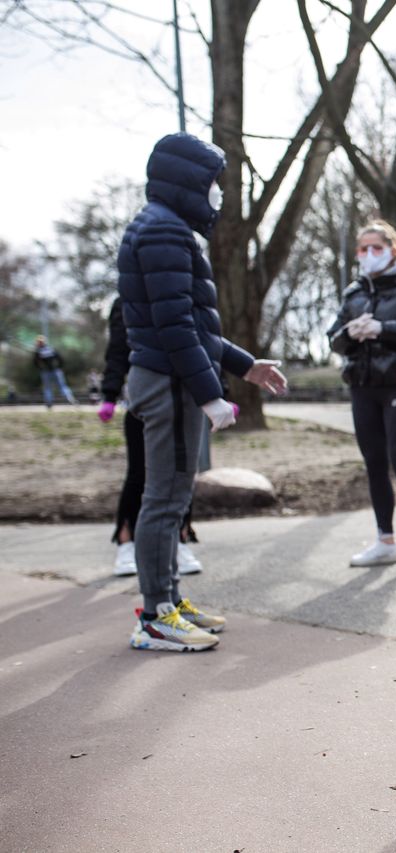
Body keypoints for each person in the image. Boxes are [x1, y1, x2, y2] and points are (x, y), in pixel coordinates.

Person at [116, 132, 288, 652]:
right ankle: (155, 616)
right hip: (168, 382)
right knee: (164, 500)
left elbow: (195, 323)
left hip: (169, 378)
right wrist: (212, 393)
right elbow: (175, 328)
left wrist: (245, 366)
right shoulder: (165, 232)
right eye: (214, 182)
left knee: (172, 497)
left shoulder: (164, 228)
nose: (218, 193)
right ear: (190, 179)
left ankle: (168, 600)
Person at [327, 219, 396, 570]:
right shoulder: (354, 293)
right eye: (363, 249)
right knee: (374, 463)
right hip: (363, 386)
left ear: (392, 249)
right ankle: (384, 540)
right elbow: (334, 338)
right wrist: (351, 332)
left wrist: (383, 328)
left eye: (376, 247)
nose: (369, 254)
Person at [99, 296, 204, 578]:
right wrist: (109, 394)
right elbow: (118, 350)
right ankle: (125, 540)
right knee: (140, 474)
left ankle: (180, 539)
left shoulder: (186, 295)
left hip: (184, 396)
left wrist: (217, 392)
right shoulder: (127, 302)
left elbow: (206, 343)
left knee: (183, 474)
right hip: (144, 400)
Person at [33, 335, 76, 407]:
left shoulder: (38, 351)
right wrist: (59, 367)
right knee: (62, 386)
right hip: (55, 370)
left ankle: (49, 403)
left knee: (48, 388)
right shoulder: (51, 349)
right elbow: (60, 359)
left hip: (46, 372)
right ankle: (69, 398)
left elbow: (35, 362)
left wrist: (40, 369)